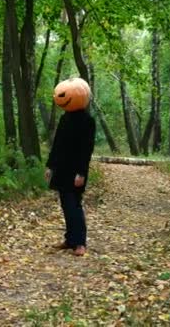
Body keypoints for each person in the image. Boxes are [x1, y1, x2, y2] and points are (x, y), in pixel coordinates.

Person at [45, 78, 96, 256]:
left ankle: (80, 242)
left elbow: (86, 150)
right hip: (62, 169)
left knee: (74, 204)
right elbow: (57, 144)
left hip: (76, 170)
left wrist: (81, 172)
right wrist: (50, 166)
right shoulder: (64, 119)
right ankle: (70, 239)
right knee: (66, 204)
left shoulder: (88, 121)